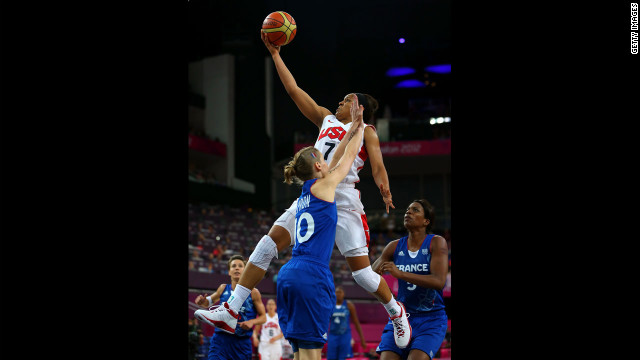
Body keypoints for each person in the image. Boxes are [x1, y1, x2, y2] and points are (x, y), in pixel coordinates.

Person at [202, 28, 411, 350]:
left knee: (362, 276)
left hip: (343, 199)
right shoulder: (326, 119)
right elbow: (293, 89)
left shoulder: (366, 130)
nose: (339, 103)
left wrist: (384, 189)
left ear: (359, 109)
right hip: (314, 190)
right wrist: (275, 55)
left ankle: (396, 311)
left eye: (346, 100)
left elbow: (378, 166)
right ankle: (230, 309)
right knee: (267, 243)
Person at [275, 95, 366, 360]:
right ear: (318, 166)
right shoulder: (325, 187)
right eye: (323, 161)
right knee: (314, 354)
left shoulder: (306, 193)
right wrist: (357, 128)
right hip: (311, 274)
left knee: (299, 353)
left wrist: (349, 134)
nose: (328, 162)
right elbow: (347, 157)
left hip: (289, 273)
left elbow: (336, 157)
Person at [372, 200, 449, 360]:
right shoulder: (393, 246)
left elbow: (439, 281)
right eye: (407, 210)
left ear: (426, 221)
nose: (408, 212)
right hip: (401, 317)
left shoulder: (436, 242)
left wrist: (401, 274)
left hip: (431, 319)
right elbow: (371, 276)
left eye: (415, 210)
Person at [194, 255, 267, 360]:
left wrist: (252, 322)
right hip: (220, 341)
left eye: (240, 266)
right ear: (229, 272)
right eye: (233, 266)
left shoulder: (254, 292)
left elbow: (263, 317)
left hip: (242, 344)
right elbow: (208, 302)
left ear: (245, 271)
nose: (237, 268)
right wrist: (202, 301)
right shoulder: (223, 288)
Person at [327, 286, 367, 360]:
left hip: (345, 336)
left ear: (344, 294)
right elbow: (325, 322)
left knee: (343, 358)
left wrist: (362, 339)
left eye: (340, 292)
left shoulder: (349, 305)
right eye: (337, 292)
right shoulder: (330, 305)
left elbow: (356, 323)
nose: (338, 294)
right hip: (332, 335)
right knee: (331, 358)